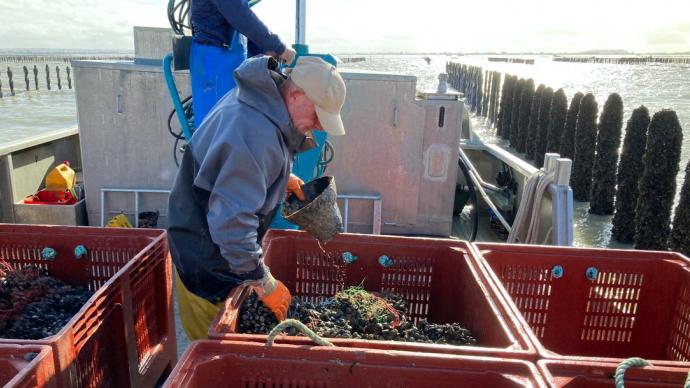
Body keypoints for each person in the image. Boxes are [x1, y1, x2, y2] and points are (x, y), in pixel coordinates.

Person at [167, 55, 347, 340]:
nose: (320, 127)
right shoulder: (253, 133)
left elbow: (230, 167)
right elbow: (231, 224)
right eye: (318, 116)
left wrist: (279, 178)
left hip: (210, 243)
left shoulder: (261, 100)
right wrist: (264, 282)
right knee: (213, 360)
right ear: (297, 94)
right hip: (205, 259)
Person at [190, 0, 296, 127]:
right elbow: (239, 14)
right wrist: (279, 47)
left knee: (232, 121)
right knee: (217, 125)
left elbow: (238, 24)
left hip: (227, 58)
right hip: (215, 59)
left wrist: (262, 50)